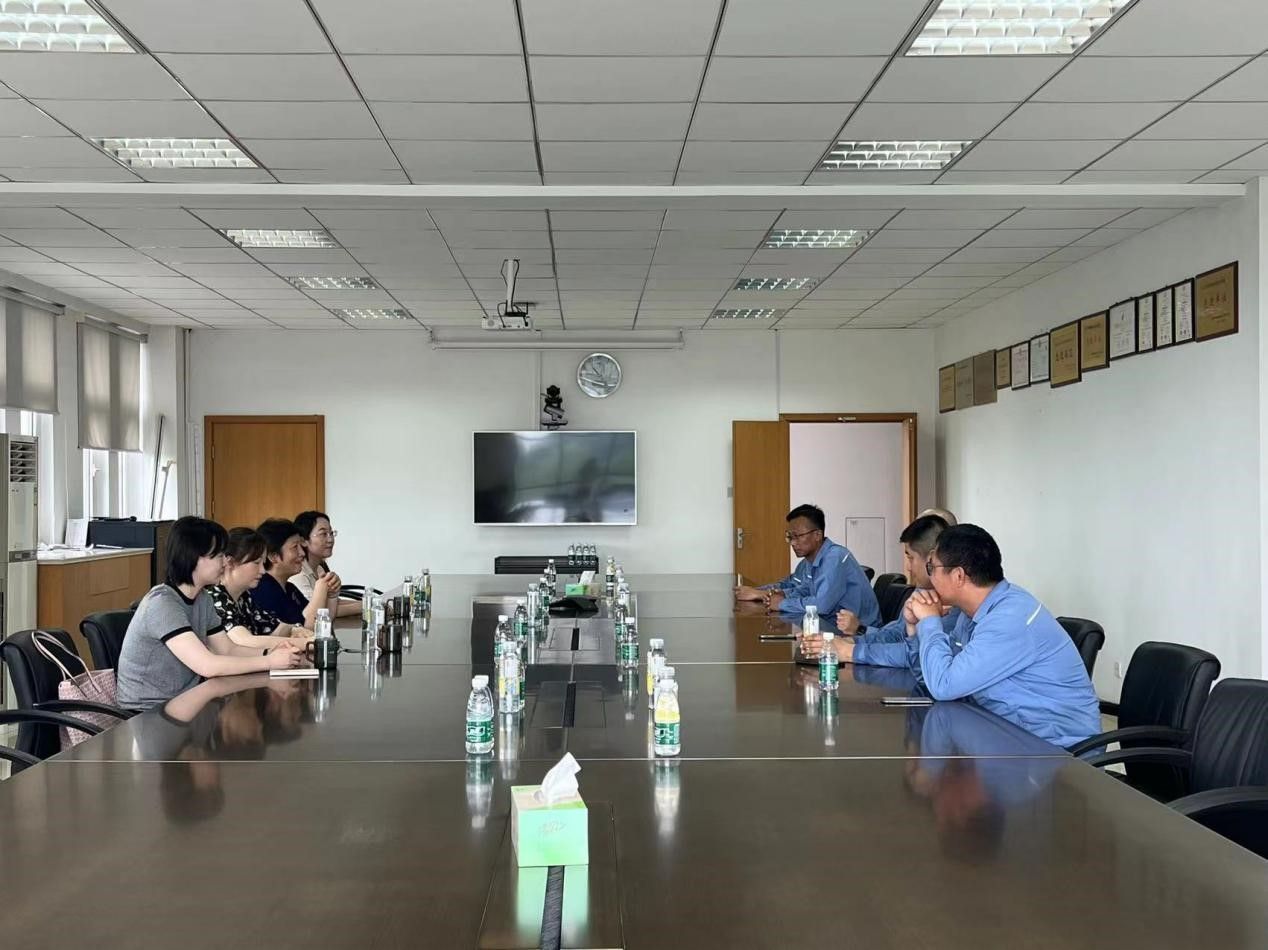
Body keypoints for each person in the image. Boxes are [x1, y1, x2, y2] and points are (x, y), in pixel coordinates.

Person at [907, 524, 1100, 748]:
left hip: (1057, 751)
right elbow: (932, 679)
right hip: (1008, 736)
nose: (928, 575)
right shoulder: (971, 614)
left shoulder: (1009, 619)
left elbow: (944, 686)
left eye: (932, 567)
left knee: (932, 763)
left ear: (958, 575)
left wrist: (930, 622)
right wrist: (914, 628)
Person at [116, 516, 305, 711]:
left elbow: (228, 649)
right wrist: (269, 661)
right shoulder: (162, 604)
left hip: (186, 702)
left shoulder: (202, 598)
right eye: (219, 556)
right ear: (194, 556)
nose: (225, 562)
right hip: (147, 712)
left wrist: (270, 653)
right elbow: (207, 665)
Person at [815, 513, 960, 674]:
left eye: (911, 558)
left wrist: (850, 652)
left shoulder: (954, 602)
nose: (908, 567)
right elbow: (897, 635)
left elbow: (917, 655)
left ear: (932, 558)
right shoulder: (922, 591)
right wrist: (848, 642)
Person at [733, 504, 880, 626]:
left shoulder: (834, 558)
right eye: (790, 537)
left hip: (861, 633)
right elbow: (802, 589)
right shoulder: (811, 560)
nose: (792, 543)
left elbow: (822, 605)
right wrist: (769, 594)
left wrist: (781, 603)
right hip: (830, 625)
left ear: (817, 535)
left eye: (797, 536)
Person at [207, 527, 314, 650]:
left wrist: (295, 629)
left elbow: (274, 627)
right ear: (230, 563)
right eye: (256, 563)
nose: (263, 571)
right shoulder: (216, 597)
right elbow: (244, 641)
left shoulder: (244, 597)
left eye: (263, 563)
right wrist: (307, 643)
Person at [252, 518, 332, 630]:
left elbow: (323, 623)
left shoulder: (290, 588)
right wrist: (320, 590)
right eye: (295, 547)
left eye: (301, 546)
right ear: (273, 556)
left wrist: (333, 595)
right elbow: (307, 629)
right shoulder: (263, 590)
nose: (302, 553)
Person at [292, 510, 359, 618]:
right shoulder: (298, 574)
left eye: (331, 533)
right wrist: (367, 606)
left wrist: (370, 603)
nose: (330, 539)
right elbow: (318, 611)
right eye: (323, 534)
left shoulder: (319, 569)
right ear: (304, 540)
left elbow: (335, 602)